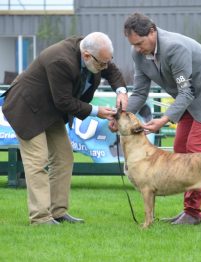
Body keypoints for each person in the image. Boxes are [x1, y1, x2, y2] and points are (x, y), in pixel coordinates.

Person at [122, 13, 201, 225]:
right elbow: (139, 92)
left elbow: (186, 91)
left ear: (152, 31)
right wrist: (120, 115)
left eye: (140, 43)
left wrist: (163, 120)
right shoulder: (138, 53)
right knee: (180, 145)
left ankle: (193, 213)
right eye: (133, 44)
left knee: (194, 147)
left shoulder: (175, 48)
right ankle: (188, 212)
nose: (137, 49)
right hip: (188, 97)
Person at [2, 32, 128, 225]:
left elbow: (112, 71)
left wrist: (121, 91)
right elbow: (64, 101)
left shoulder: (95, 54)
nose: (104, 68)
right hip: (27, 107)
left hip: (50, 109)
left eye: (107, 62)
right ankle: (41, 217)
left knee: (64, 157)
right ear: (86, 55)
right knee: (37, 160)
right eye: (101, 64)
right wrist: (97, 111)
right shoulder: (61, 61)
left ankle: (58, 212)